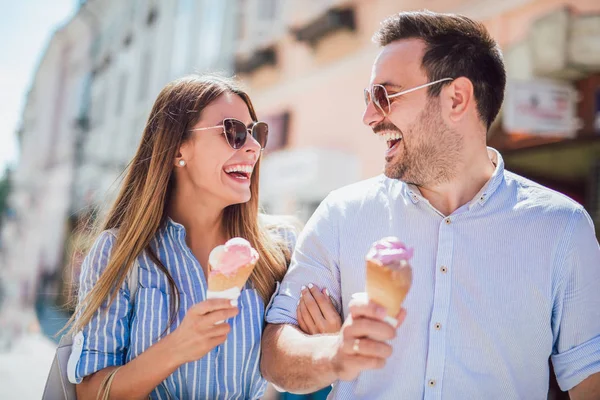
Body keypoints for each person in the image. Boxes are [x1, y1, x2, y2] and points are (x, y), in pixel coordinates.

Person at [261, 11, 600, 399]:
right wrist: (335, 354)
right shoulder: (341, 214)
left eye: (384, 95)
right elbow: (275, 355)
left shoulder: (562, 228)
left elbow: (590, 382)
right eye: (368, 98)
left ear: (456, 98)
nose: (369, 116)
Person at [65, 74, 340, 399]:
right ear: (177, 149)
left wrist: (330, 346)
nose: (253, 146)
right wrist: (176, 347)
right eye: (234, 132)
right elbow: (90, 392)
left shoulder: (280, 248)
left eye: (257, 133)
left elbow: (293, 376)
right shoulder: (117, 252)